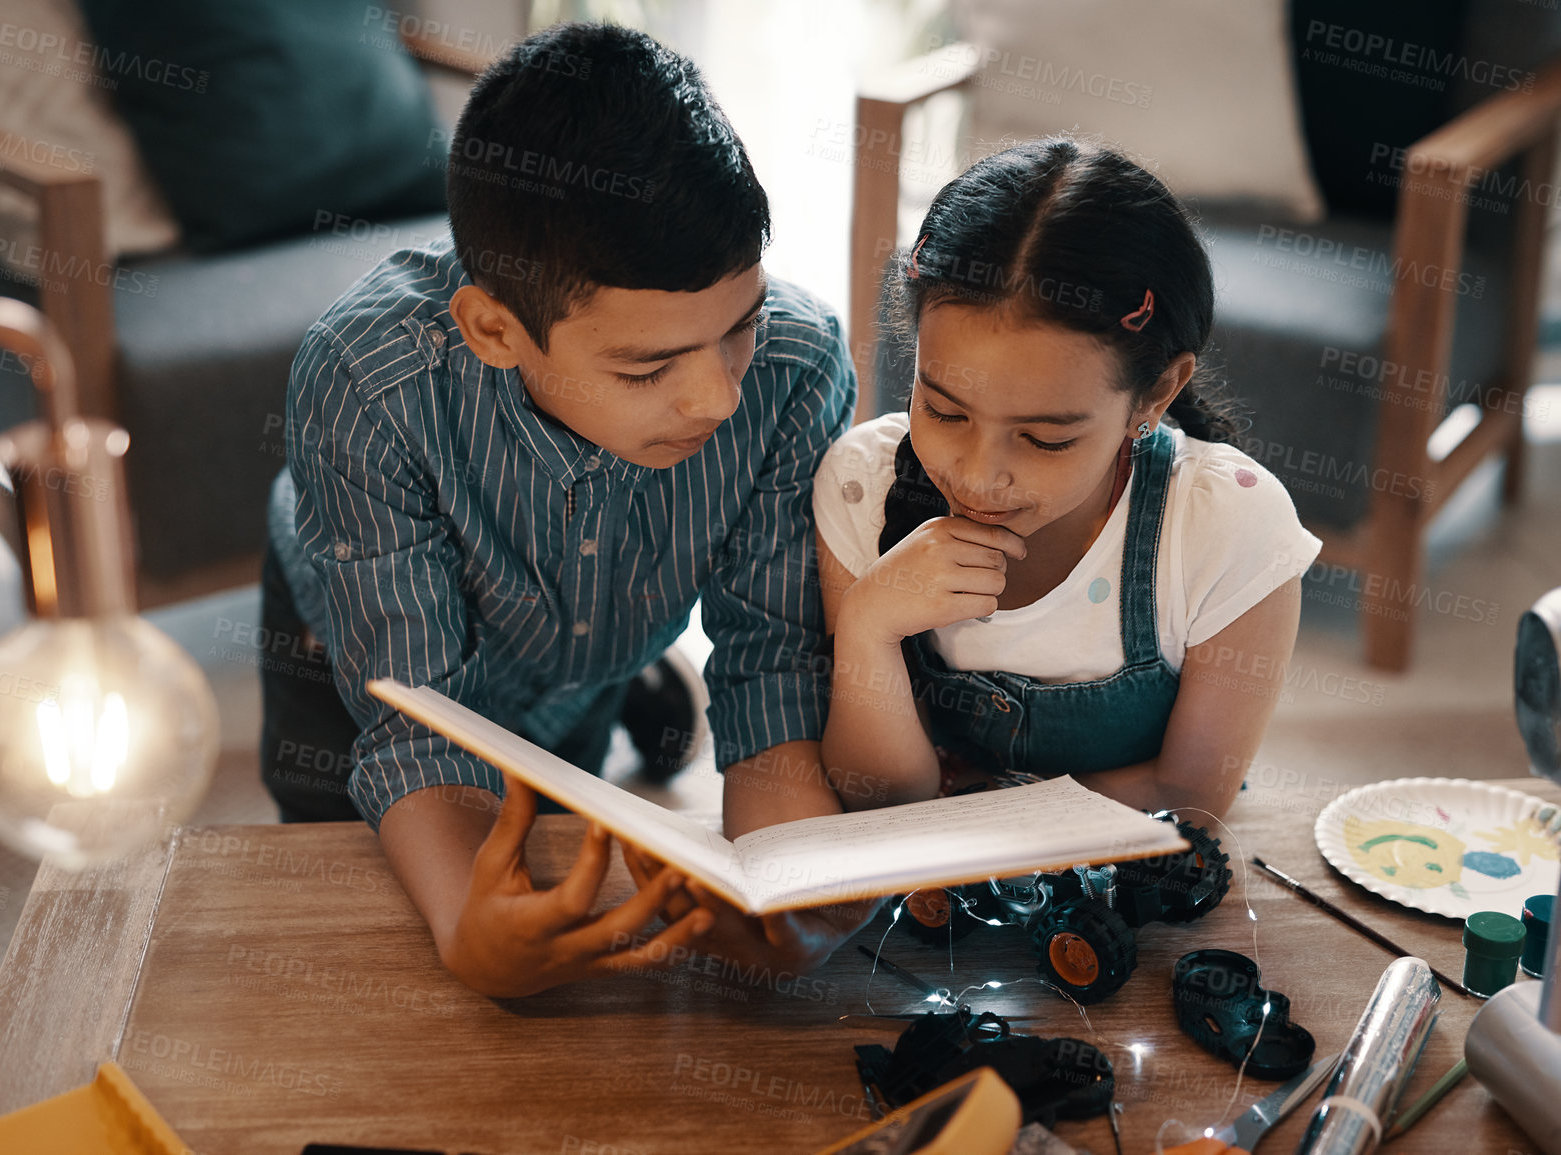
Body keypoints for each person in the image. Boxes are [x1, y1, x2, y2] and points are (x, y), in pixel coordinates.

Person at [259, 22, 872, 998]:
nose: (716, 399)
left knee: (550, 808)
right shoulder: (367, 380)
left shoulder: (797, 368)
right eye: (646, 366)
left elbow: (773, 665)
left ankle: (626, 686)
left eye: (737, 329)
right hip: (352, 649)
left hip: (598, 636)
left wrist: (788, 889)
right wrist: (466, 926)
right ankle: (634, 689)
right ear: (495, 331)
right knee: (361, 927)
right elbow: (415, 721)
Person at [813, 139, 1321, 817]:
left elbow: (1190, 797)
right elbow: (875, 797)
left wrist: (967, 810)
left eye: (1044, 438)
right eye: (943, 409)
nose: (979, 475)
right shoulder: (861, 484)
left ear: (1154, 393)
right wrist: (867, 627)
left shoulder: (1227, 525)